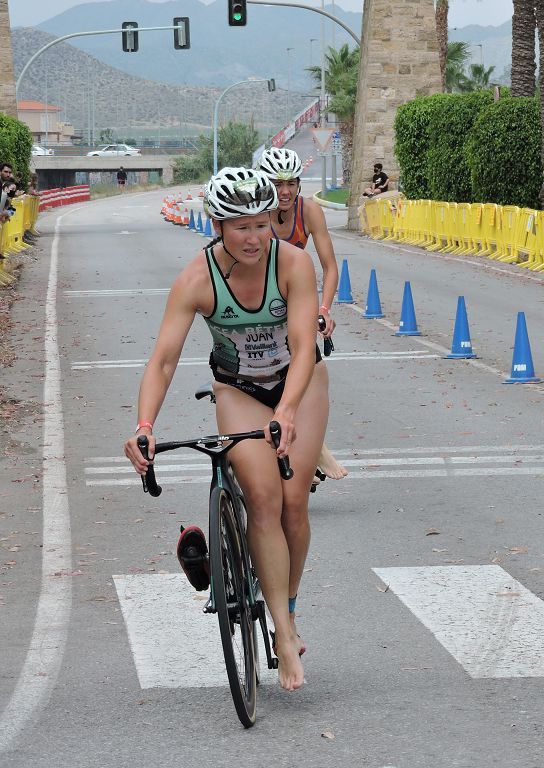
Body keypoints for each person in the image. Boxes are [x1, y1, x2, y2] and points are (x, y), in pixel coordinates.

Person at [123, 167, 328, 691]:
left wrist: (286, 410)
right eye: (240, 227)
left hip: (298, 385)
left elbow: (305, 347)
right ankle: (282, 635)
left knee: (294, 500)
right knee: (262, 498)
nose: (255, 237)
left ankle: (289, 605)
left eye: (262, 224)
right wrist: (145, 425)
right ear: (217, 225)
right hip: (237, 388)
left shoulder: (294, 264)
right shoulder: (196, 280)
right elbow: (164, 360)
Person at [257, 147, 347, 482]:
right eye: (277, 183)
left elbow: (330, 267)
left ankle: (310, 447)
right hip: (259, 299)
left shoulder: (308, 211)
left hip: (295, 296)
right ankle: (307, 450)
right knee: (265, 374)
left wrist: (323, 309)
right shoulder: (256, 213)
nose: (284, 191)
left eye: (291, 183)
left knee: (309, 368)